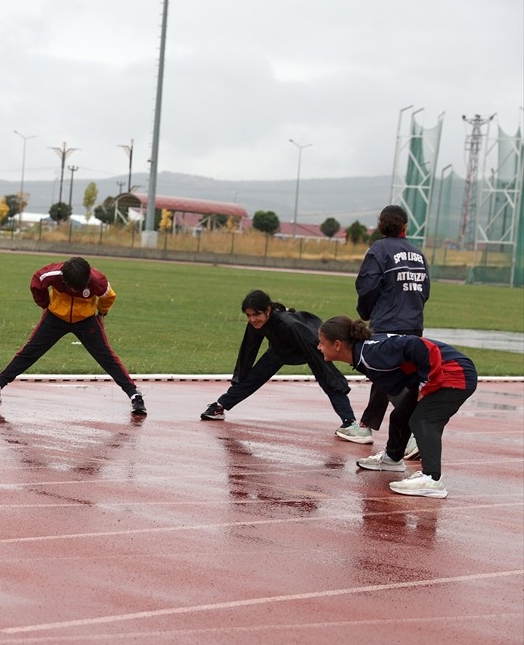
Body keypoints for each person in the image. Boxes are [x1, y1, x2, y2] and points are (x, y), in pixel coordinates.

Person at [318, 316, 476, 499]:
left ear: (338, 345)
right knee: (400, 416)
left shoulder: (373, 352)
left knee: (423, 420)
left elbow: (422, 347)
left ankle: (432, 479)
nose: (318, 347)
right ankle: (392, 459)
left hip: (455, 374)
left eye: (321, 343)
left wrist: (430, 383)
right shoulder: (364, 353)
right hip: (436, 375)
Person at [0, 256, 146, 415]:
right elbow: (37, 284)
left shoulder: (98, 281)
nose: (75, 291)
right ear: (64, 279)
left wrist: (101, 314)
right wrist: (45, 305)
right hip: (55, 317)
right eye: (72, 288)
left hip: (86, 320)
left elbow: (108, 297)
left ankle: (134, 395)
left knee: (106, 356)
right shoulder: (51, 274)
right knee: (30, 351)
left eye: (79, 289)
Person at [200, 290, 361, 440]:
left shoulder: (288, 324)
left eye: (256, 314)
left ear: (268, 311)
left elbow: (314, 347)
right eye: (248, 315)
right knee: (253, 376)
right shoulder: (255, 324)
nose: (252, 319)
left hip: (310, 347)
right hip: (281, 350)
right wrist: (239, 377)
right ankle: (220, 406)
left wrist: (335, 378)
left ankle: (350, 422)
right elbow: (248, 350)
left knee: (328, 380)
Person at [348, 204, 431, 452]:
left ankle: (416, 432)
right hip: (413, 325)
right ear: (406, 226)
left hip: (387, 324)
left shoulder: (379, 250)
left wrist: (365, 313)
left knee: (386, 376)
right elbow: (424, 291)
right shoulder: (418, 254)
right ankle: (366, 425)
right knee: (393, 375)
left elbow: (367, 286)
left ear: (380, 224)